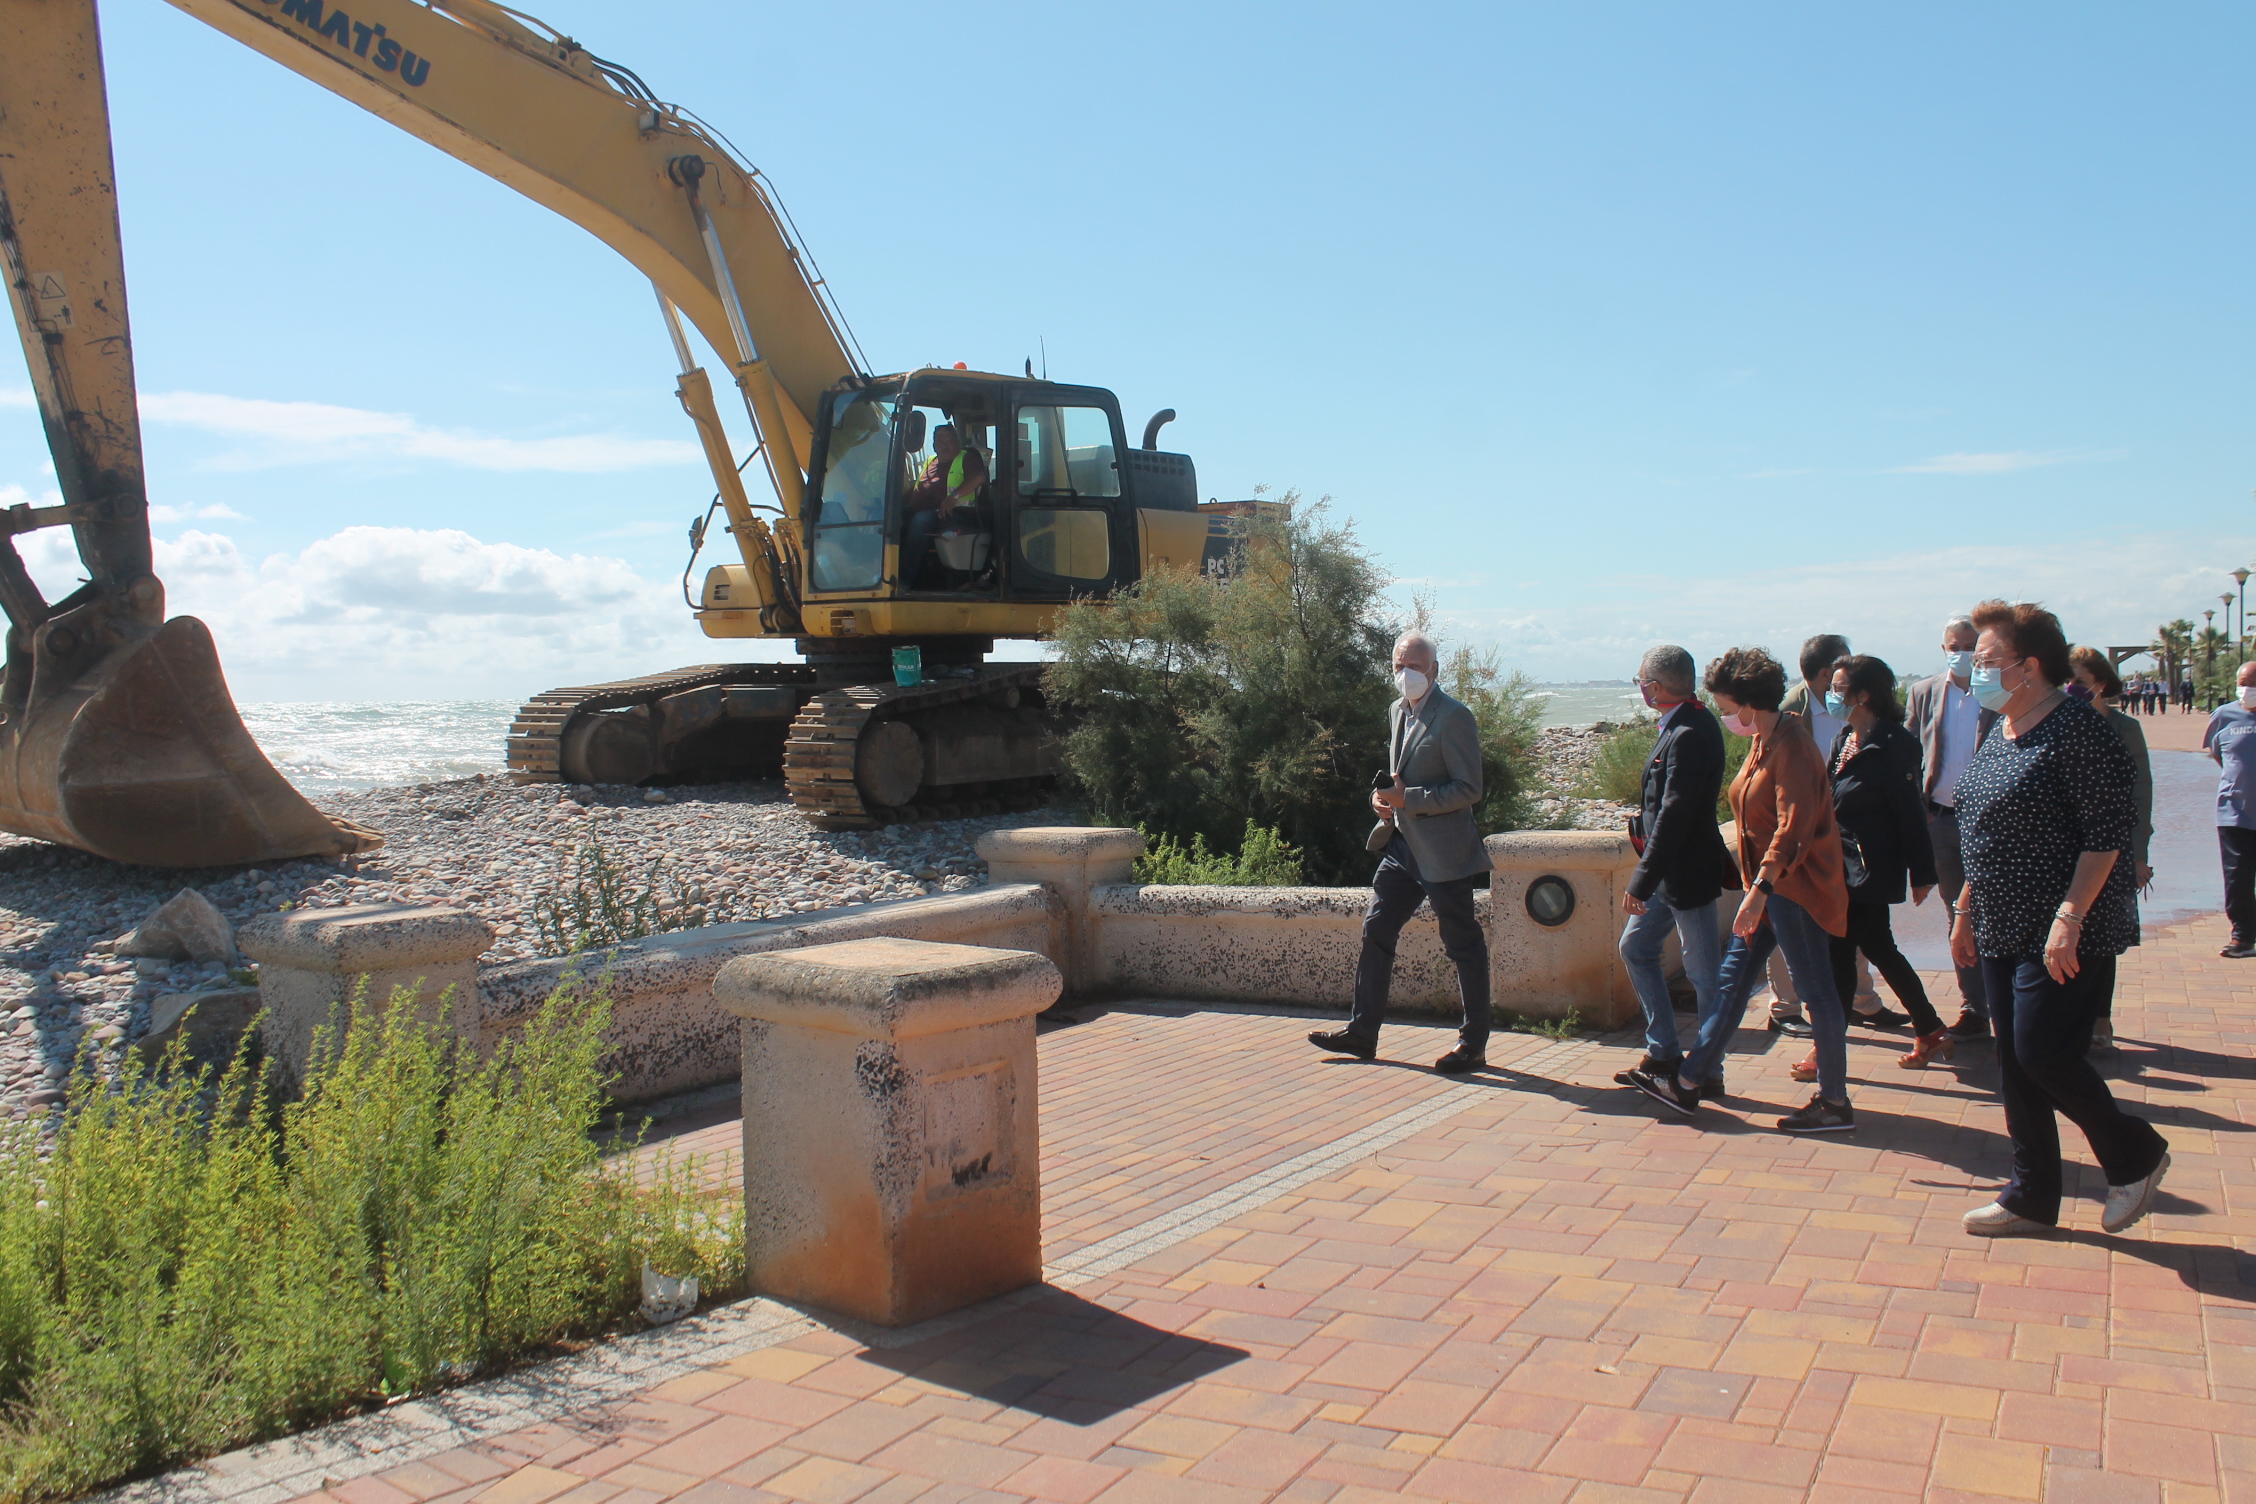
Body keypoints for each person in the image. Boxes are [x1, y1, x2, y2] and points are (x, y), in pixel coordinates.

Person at [1951, 600, 2169, 1237]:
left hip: (2064, 927)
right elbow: (1981, 826)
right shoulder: (2003, 729)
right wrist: (1964, 908)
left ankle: (2134, 1155)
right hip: (1999, 918)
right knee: (2013, 1062)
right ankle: (2031, 1192)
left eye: (1987, 661)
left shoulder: (2079, 731)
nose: (1975, 672)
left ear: (2030, 666)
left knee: (2043, 1051)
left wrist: (2069, 918)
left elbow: (2107, 836)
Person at [1627, 646, 1855, 1133]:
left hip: (1792, 892)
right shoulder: (1765, 740)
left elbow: (1791, 829)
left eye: (1728, 708)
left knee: (1818, 993)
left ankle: (1834, 1102)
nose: (1725, 716)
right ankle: (1690, 1082)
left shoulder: (1791, 745)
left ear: (1749, 705)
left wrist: (1759, 891)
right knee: (1729, 986)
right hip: (1769, 892)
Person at [1310, 630, 1493, 1072]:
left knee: (1462, 944)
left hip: (1444, 852)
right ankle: (1362, 1033)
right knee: (1376, 930)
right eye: (1398, 666)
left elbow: (1469, 789)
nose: (1405, 674)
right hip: (1400, 847)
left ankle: (1474, 1044)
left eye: (1413, 666)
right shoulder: (1396, 710)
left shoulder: (1454, 717)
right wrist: (1382, 801)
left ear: (1433, 669)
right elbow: (1397, 778)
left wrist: (1409, 799)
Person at [1614, 645, 1735, 1096]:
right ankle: (1664, 1050)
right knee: (1636, 948)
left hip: (1688, 876)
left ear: (1657, 687)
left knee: (1705, 975)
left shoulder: (1691, 730)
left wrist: (1641, 880)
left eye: (1642, 681)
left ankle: (1707, 1071)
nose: (1641, 688)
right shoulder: (1681, 725)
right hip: (1669, 877)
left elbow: (1673, 813)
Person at [1820, 654, 1951, 1069]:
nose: (1832, 696)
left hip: (1872, 869)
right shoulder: (1845, 738)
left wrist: (1922, 873)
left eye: (1840, 689)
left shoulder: (1894, 744)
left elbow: (1909, 812)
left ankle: (1828, 1049)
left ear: (1864, 694)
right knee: (1878, 948)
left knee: (1841, 953)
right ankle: (1929, 1028)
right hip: (1841, 867)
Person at [1905, 614, 1997, 1039]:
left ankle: (2008, 998)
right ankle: (1975, 1007)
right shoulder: (1923, 693)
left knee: (1997, 908)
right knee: (1956, 912)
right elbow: (1910, 753)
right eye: (1952, 645)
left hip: (1992, 823)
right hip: (1940, 820)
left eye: (1968, 645)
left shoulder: (1998, 693)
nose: (1960, 652)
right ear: (1943, 649)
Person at [2068, 646, 2153, 1053]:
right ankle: (2067, 1016)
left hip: (2112, 849)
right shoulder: (2058, 724)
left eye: (2079, 682)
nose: (2070, 688)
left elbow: (2141, 794)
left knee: (2101, 938)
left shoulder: (2124, 729)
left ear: (2099, 684)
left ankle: (2101, 1017)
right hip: (2064, 850)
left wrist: (2139, 854)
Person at [2202, 660, 2256, 959]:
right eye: (2244, 682)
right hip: (2234, 812)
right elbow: (2218, 754)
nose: (2248, 689)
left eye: (2254, 683)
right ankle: (2242, 937)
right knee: (2238, 878)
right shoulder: (2223, 716)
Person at [902, 424, 988, 586]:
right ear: (934, 444)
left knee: (921, 521)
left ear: (957, 442)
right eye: (940, 441)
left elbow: (978, 477)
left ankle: (905, 580)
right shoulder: (930, 461)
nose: (945, 445)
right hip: (922, 511)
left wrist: (953, 497)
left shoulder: (965, 458)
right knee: (892, 514)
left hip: (954, 515)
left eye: (949, 440)